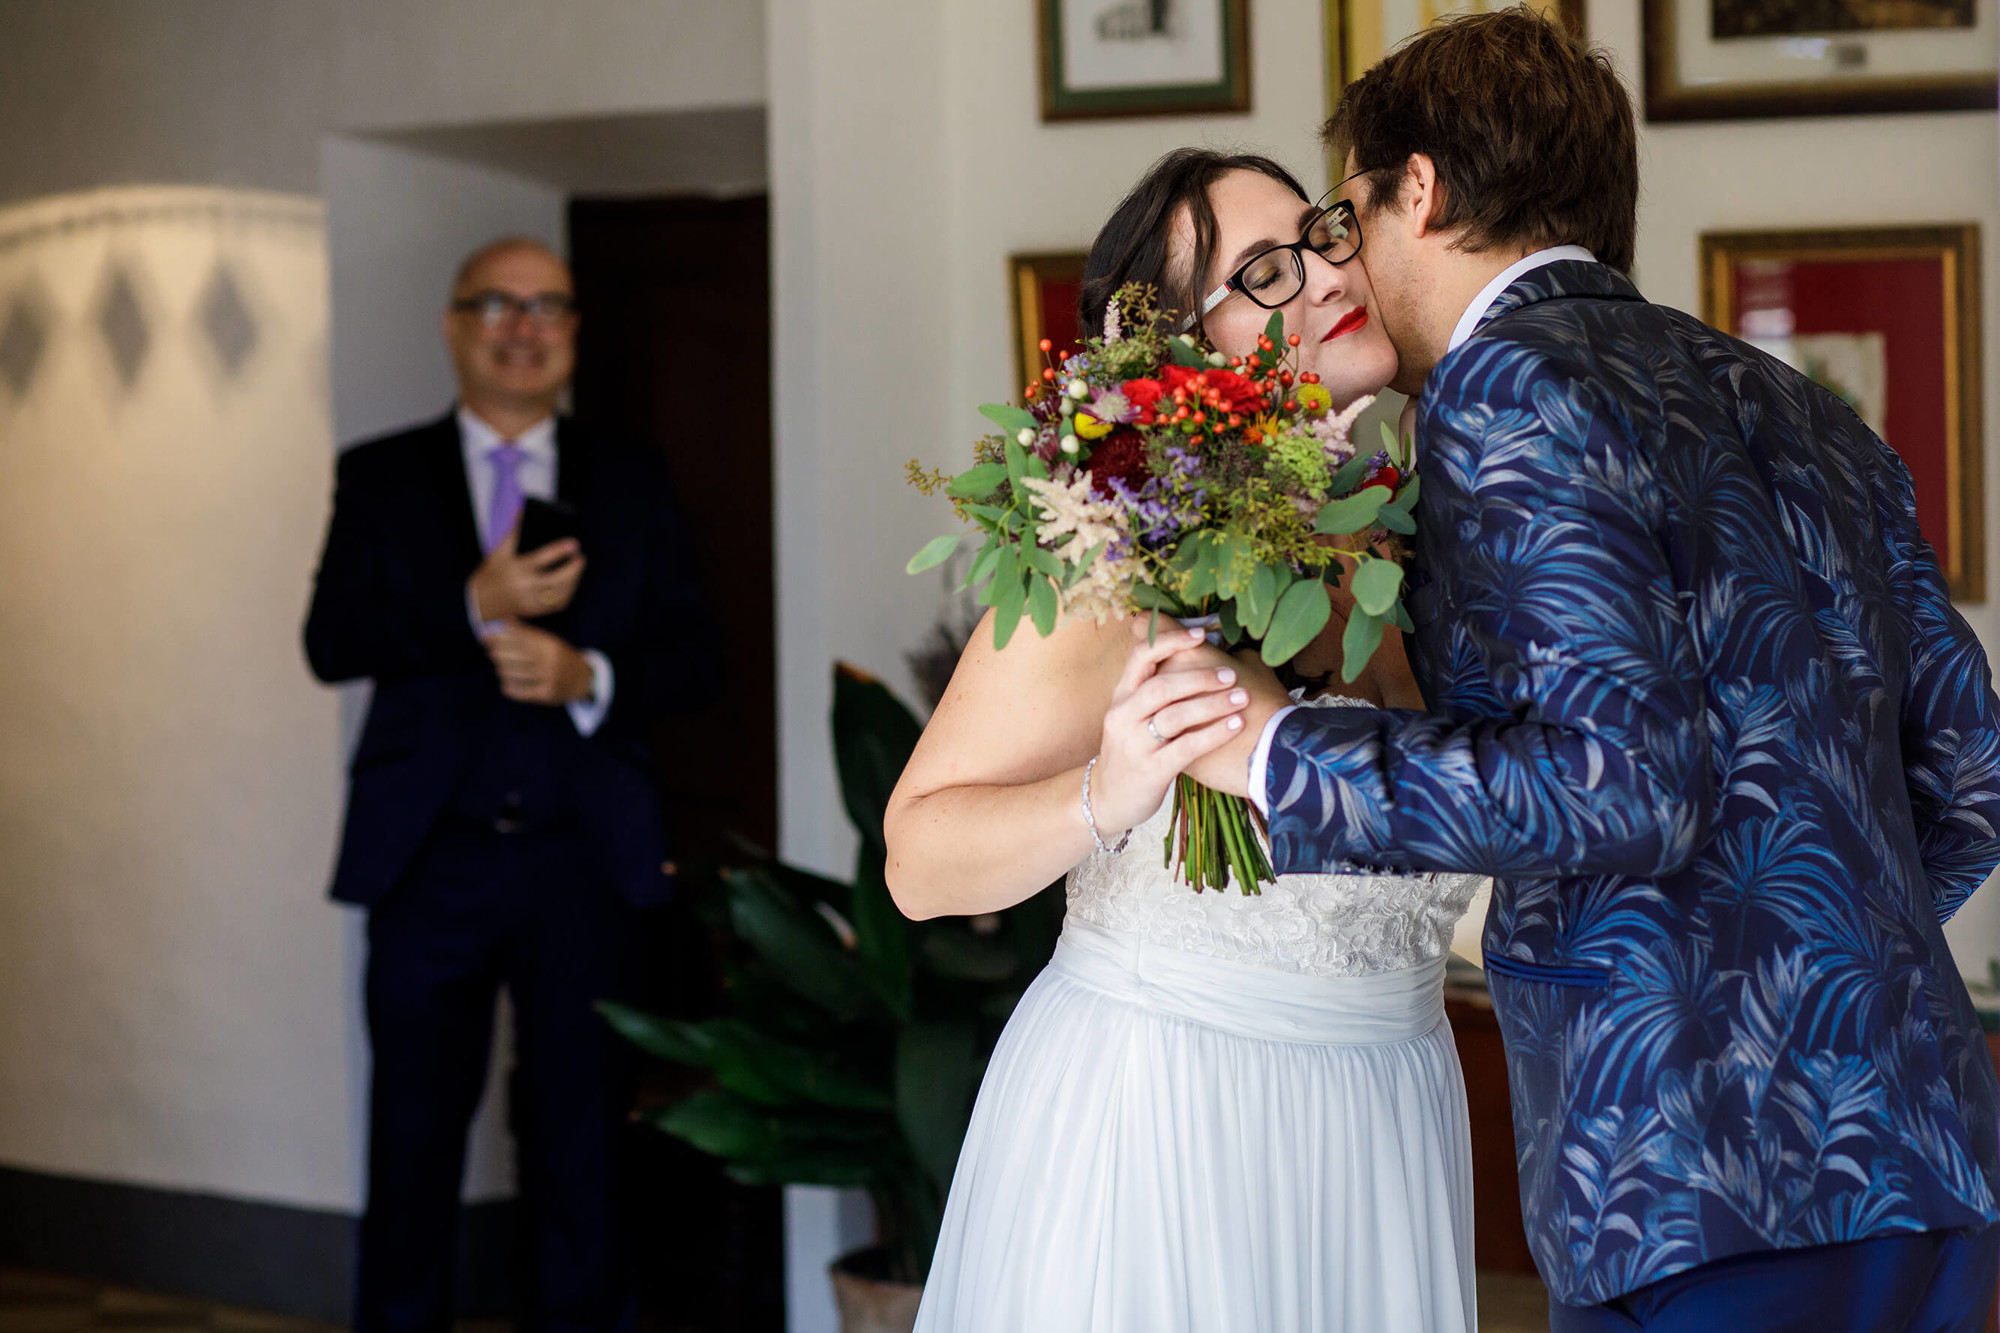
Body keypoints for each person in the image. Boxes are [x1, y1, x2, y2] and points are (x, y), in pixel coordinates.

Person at [1160, 11, 2000, 1332]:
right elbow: (1970, 767)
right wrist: (1827, 942)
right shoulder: (1781, 396)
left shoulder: (1501, 388)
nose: (1346, 262)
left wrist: (1270, 753)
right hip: (1927, 1150)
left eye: (1350, 213)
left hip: (1699, 1178)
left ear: (1416, 189)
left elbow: (1624, 789)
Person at [885, 149, 1485, 1333]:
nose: (1322, 272)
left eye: (1316, 236)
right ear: (1180, 360)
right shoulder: (1112, 553)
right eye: (1264, 271)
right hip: (1164, 1122)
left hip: (1386, 1126)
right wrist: (1103, 793)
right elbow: (915, 858)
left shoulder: (1423, 552)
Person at [303, 237, 714, 1333]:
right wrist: (468, 604)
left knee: (582, 1141)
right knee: (412, 1141)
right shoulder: (381, 475)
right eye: (498, 303)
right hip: (426, 853)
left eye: (548, 307)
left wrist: (591, 673)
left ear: (574, 334)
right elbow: (330, 639)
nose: (523, 326)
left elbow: (695, 656)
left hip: (585, 856)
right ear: (454, 323)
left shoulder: (629, 479)